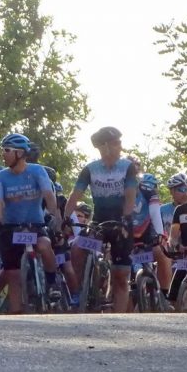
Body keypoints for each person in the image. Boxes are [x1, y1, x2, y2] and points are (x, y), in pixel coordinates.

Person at [64, 126, 137, 313]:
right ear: (104, 146)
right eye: (116, 143)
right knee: (77, 248)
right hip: (99, 223)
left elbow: (130, 196)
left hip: (121, 222)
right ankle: (79, 292)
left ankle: (119, 319)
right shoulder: (90, 169)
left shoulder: (127, 167)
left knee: (121, 275)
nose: (120, 146)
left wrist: (126, 219)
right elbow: (75, 195)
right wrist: (65, 219)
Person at [0, 133, 63, 314]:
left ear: (20, 153)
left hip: (34, 225)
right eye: (2, 150)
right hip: (11, 227)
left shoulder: (37, 171)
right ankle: (15, 314)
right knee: (12, 273)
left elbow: (48, 195)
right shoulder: (1, 176)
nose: (3, 154)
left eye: (7, 150)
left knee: (44, 245)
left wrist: (53, 215)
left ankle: (52, 282)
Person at [166, 172, 187, 303]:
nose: (183, 192)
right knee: (173, 292)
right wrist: (177, 246)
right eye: (179, 190)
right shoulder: (180, 210)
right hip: (186, 254)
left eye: (184, 189)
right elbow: (173, 236)